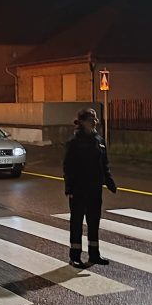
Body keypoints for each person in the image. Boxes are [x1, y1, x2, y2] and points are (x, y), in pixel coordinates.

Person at [63, 107, 117, 268]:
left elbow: (104, 164)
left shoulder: (99, 140)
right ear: (82, 122)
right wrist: (69, 189)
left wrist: (109, 181)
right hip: (79, 189)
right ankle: (75, 256)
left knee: (94, 222)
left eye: (94, 119)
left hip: (95, 189)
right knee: (77, 223)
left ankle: (94, 254)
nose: (94, 122)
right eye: (90, 119)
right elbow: (68, 167)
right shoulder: (74, 142)